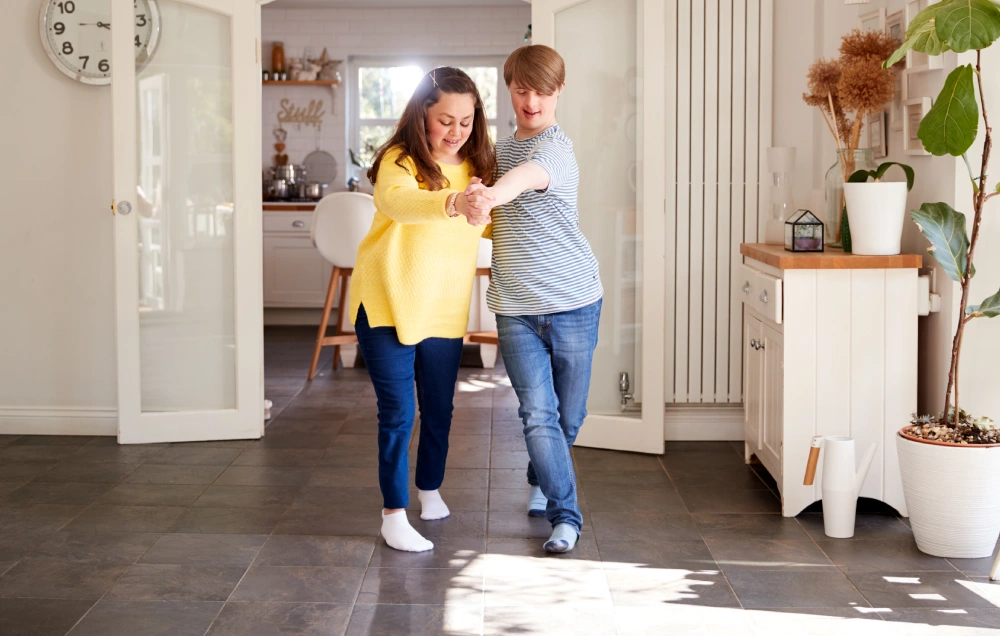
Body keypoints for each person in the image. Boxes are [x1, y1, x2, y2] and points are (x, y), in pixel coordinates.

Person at [349, 67, 495, 553]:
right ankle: (393, 514)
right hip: (388, 301)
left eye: (466, 121)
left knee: (439, 409)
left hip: (443, 308)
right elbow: (400, 203)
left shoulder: (479, 168)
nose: (456, 132)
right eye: (445, 120)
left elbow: (493, 225)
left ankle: (428, 488)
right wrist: (454, 201)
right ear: (421, 116)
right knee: (398, 412)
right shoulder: (400, 159)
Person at [464, 45, 602, 553]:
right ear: (510, 90)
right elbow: (486, 205)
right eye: (522, 90)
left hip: (574, 303)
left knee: (569, 417)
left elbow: (529, 177)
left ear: (558, 90)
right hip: (516, 308)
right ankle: (566, 517)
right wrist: (475, 199)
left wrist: (494, 194)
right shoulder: (497, 151)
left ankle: (542, 474)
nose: (531, 100)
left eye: (542, 90)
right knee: (538, 415)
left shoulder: (556, 151)